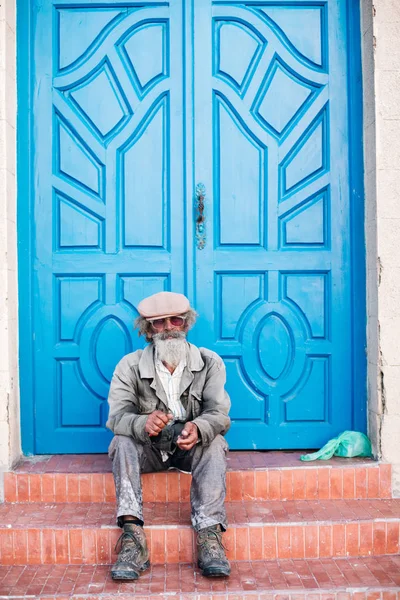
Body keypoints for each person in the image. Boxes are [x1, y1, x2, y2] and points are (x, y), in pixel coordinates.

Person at [106, 291, 231, 581]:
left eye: (176, 320)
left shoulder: (210, 362)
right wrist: (143, 422)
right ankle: (132, 537)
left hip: (189, 449)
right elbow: (116, 417)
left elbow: (219, 413)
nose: (169, 328)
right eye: (159, 324)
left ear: (186, 323)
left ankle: (210, 536)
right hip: (148, 450)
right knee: (120, 442)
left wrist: (199, 428)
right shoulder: (130, 365)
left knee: (217, 442)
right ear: (148, 330)